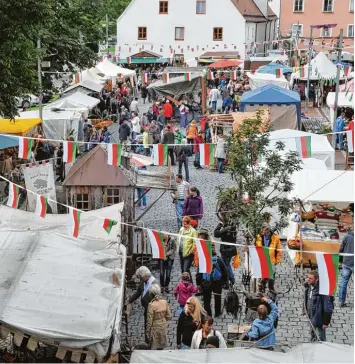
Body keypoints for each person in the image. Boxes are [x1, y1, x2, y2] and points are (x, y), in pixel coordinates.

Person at [127, 266, 160, 341]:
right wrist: (129, 301)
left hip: (153, 309)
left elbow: (158, 299)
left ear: (144, 276)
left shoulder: (155, 284)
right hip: (146, 308)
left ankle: (153, 340)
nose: (139, 279)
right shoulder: (143, 282)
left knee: (152, 324)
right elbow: (138, 292)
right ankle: (147, 339)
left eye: (140, 277)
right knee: (147, 323)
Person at [196, 245, 228, 317]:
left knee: (206, 299)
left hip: (206, 282)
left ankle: (208, 314)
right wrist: (224, 282)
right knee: (217, 297)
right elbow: (225, 271)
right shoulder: (218, 259)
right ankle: (217, 312)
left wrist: (198, 283)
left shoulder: (203, 260)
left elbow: (199, 273)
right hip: (217, 282)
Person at [304, 270, 334, 342]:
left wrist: (325, 322)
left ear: (317, 279)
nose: (308, 279)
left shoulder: (323, 291)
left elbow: (328, 307)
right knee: (312, 334)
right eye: (308, 277)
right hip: (310, 315)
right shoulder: (308, 287)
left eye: (311, 278)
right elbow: (306, 298)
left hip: (319, 317)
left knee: (321, 337)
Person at [255, 223, 282, 293]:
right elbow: (256, 247)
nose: (264, 233)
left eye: (265, 231)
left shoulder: (275, 238)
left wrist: (277, 260)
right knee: (262, 275)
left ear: (269, 230)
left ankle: (271, 289)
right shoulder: (259, 237)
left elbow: (279, 250)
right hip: (262, 259)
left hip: (271, 260)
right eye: (263, 231)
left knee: (271, 276)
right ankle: (261, 288)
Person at [146, 284, 171, 350]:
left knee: (155, 343)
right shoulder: (165, 302)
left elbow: (149, 320)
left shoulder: (151, 305)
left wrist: (148, 330)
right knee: (162, 342)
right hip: (163, 324)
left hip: (155, 325)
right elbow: (168, 315)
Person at [214, 222, 237, 287]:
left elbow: (216, 234)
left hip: (226, 250)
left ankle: (230, 280)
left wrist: (220, 225)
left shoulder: (227, 229)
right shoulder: (233, 227)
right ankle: (228, 281)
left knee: (225, 265)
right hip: (230, 250)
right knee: (227, 264)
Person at [339, 227, 354, 307]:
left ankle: (341, 301)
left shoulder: (347, 237)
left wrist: (340, 260)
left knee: (343, 282)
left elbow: (341, 249)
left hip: (346, 262)